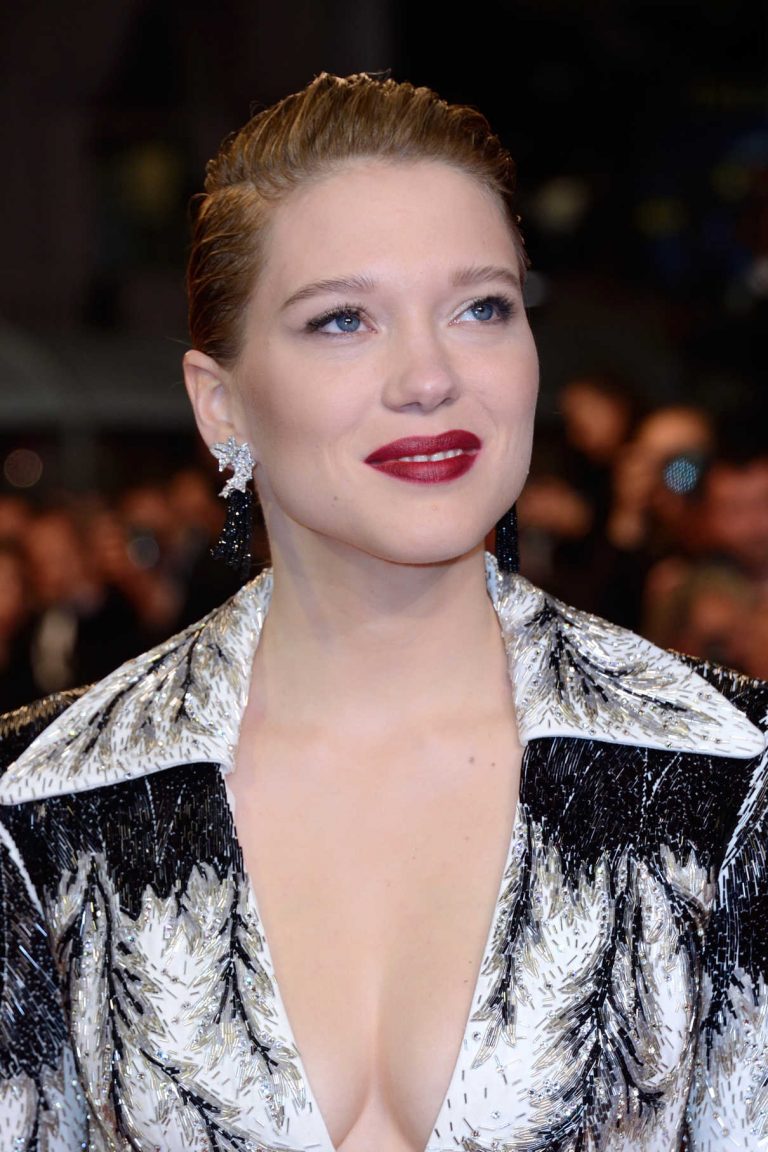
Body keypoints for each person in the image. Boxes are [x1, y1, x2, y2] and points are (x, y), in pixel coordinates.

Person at [0, 71, 766, 1152]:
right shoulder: (50, 807)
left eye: (480, 307)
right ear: (220, 403)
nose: (430, 375)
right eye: (344, 320)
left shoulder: (726, 781)